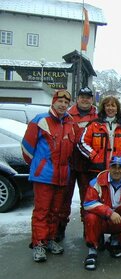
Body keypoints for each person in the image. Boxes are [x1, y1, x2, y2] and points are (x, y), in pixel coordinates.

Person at [21, 89, 75, 262]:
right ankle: (38, 244)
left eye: (66, 103)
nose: (63, 105)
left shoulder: (70, 123)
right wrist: (40, 166)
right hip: (44, 177)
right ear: (53, 102)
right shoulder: (40, 120)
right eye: (60, 101)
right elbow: (27, 149)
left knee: (56, 211)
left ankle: (50, 239)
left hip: (62, 176)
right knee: (42, 211)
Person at [83, 156, 121, 271]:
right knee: (90, 218)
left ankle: (114, 242)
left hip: (118, 222)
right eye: (114, 167)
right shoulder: (96, 182)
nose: (117, 170)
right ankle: (92, 251)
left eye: (120, 167)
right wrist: (109, 212)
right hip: (101, 220)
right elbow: (88, 203)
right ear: (109, 167)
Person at [57, 87, 98, 241]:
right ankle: (59, 228)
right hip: (68, 162)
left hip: (89, 164)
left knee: (88, 199)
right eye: (82, 97)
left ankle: (88, 230)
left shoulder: (98, 116)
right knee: (63, 199)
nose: (85, 100)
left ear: (92, 99)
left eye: (88, 97)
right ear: (77, 98)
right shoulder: (67, 115)